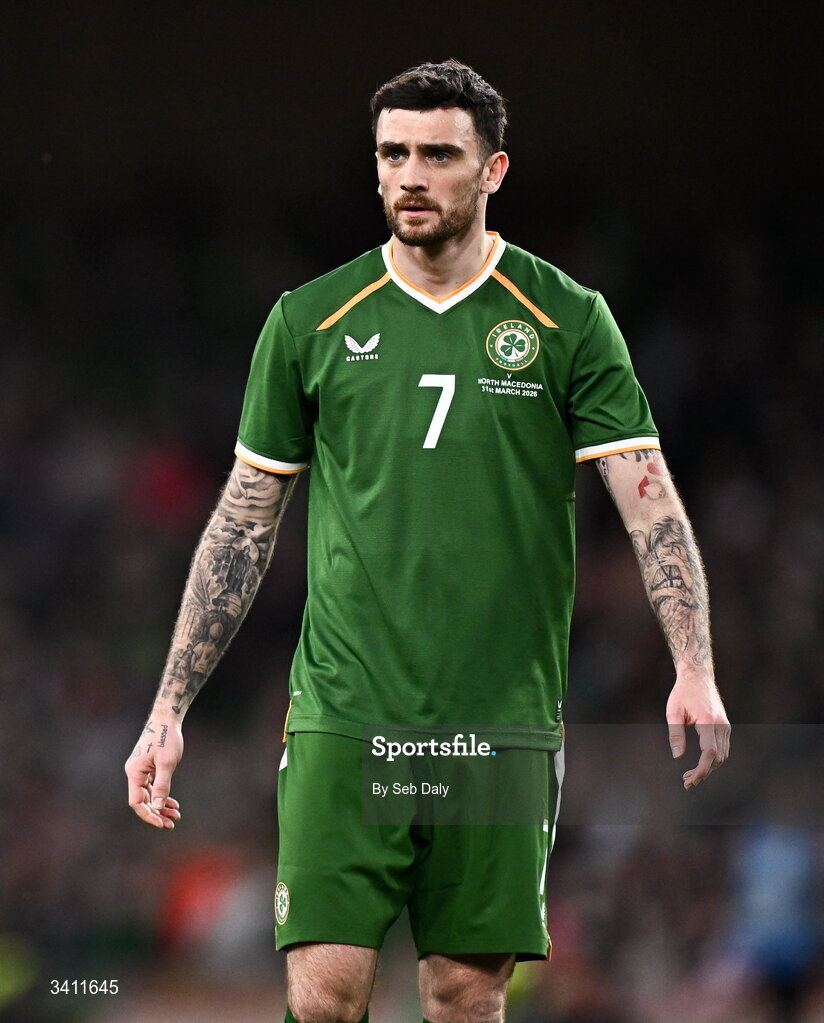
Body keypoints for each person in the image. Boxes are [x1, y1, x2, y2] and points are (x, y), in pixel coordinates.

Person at [125, 60, 730, 1023]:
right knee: (324, 995)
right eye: (393, 153)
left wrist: (692, 662)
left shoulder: (567, 319)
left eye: (439, 155)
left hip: (499, 717)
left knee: (463, 996)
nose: (410, 175)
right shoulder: (308, 320)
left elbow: (649, 504)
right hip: (345, 710)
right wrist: (169, 706)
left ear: (492, 171)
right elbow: (243, 521)